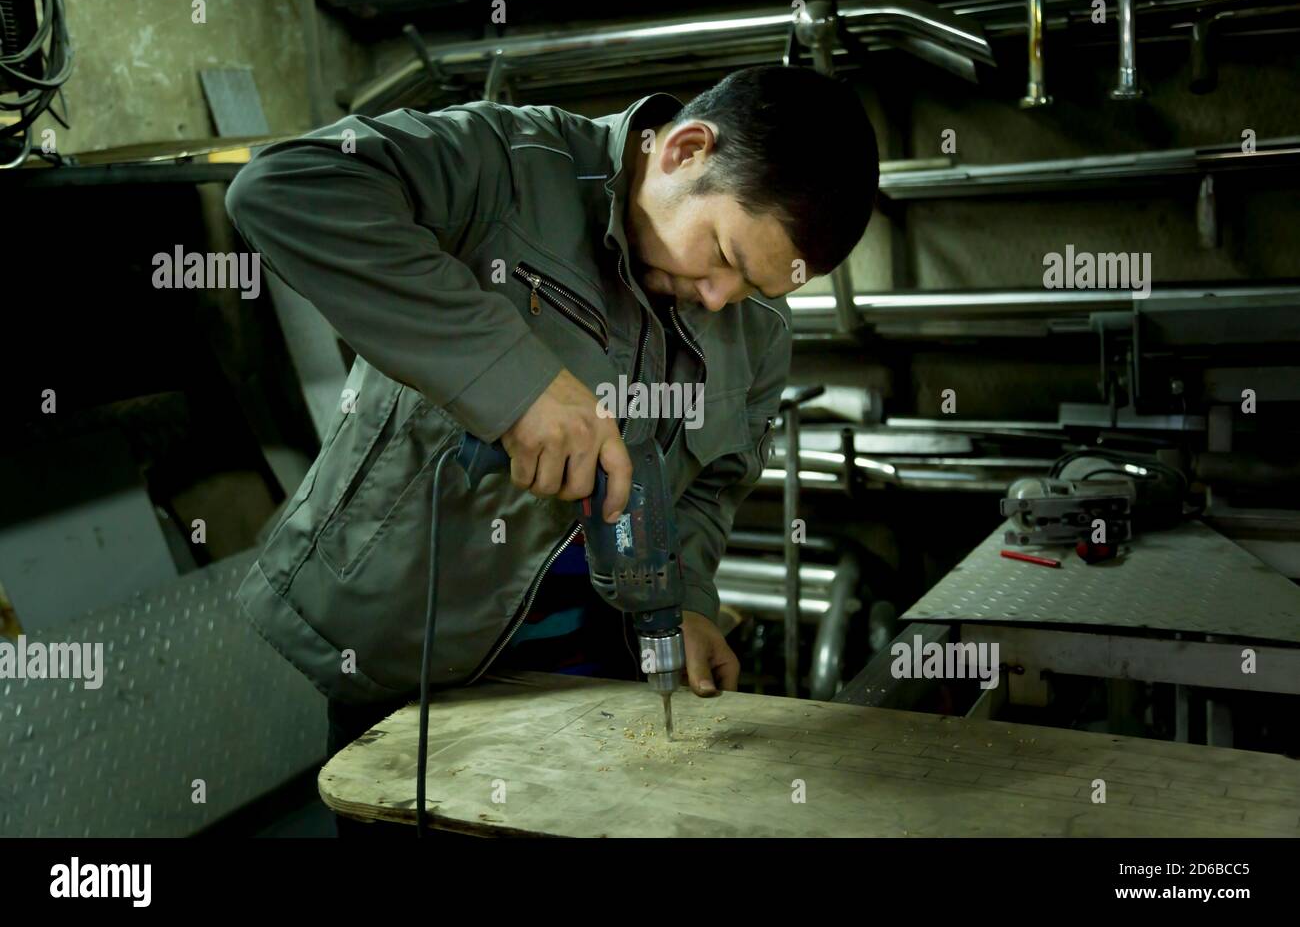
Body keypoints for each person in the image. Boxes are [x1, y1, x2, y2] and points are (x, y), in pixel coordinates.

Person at [224, 64, 879, 833]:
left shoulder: (757, 330)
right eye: (727, 257)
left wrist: (690, 601)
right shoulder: (510, 163)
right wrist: (512, 380)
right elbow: (281, 188)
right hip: (417, 664)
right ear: (685, 151)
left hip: (599, 680)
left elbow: (714, 486)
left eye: (755, 289)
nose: (719, 301)